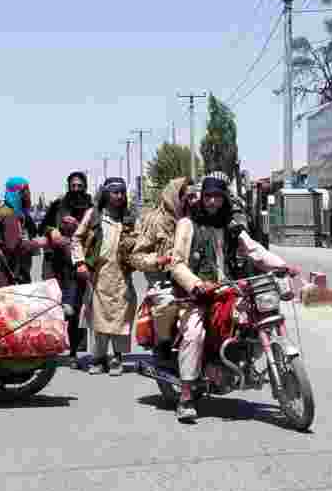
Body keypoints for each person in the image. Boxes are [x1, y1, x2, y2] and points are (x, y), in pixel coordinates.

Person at [168, 175, 300, 423]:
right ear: (202, 198)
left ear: (225, 199)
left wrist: (283, 266)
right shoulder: (187, 224)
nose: (213, 201)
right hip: (198, 294)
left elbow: (254, 250)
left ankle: (244, 364)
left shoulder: (230, 225)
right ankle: (185, 397)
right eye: (208, 196)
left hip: (229, 290)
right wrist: (196, 284)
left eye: (218, 197)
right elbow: (176, 264)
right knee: (194, 333)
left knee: (255, 318)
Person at [73, 177, 139, 377]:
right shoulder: (93, 215)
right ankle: (99, 359)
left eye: (121, 192)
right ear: (106, 194)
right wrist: (80, 262)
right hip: (98, 275)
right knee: (99, 319)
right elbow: (76, 238)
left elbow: (140, 242)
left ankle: (117, 358)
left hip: (121, 275)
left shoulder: (129, 218)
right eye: (114, 192)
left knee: (121, 318)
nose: (119, 196)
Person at [41, 172, 94, 364]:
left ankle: (73, 352)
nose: (76, 189)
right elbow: (43, 226)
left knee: (76, 309)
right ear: (68, 186)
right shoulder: (58, 205)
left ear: (85, 187)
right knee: (54, 307)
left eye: (80, 186)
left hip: (77, 265)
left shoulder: (91, 208)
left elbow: (96, 234)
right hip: (55, 265)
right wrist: (51, 231)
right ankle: (51, 350)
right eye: (73, 185)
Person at [128, 177, 189, 287]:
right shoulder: (156, 221)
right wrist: (159, 260)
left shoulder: (191, 220)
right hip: (161, 288)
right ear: (174, 197)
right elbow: (136, 257)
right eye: (185, 197)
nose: (189, 201)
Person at [0, 177, 48, 287]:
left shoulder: (18, 214)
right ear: (17, 193)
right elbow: (14, 246)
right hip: (12, 279)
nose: (28, 195)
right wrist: (38, 243)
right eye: (25, 191)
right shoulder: (8, 215)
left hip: (18, 274)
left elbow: (35, 231)